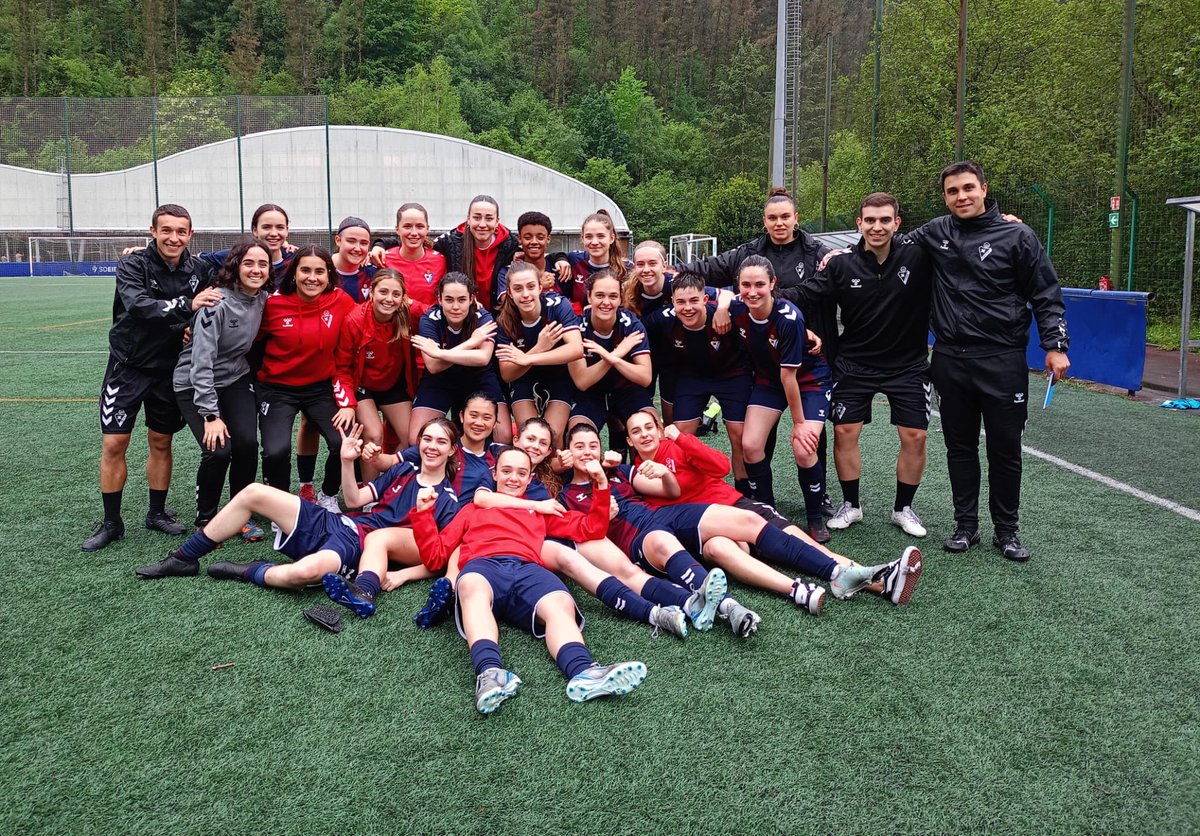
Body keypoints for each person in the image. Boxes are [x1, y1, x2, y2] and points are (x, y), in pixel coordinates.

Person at [906, 161, 1069, 561]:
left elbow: (1045, 293)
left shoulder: (1018, 235)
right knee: (959, 447)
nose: (961, 196)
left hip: (1002, 359)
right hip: (950, 359)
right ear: (945, 197)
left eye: (968, 188)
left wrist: (1055, 345)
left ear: (983, 188)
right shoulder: (935, 232)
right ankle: (966, 527)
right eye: (952, 191)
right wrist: (835, 255)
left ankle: (1007, 532)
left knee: (1005, 448)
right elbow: (887, 243)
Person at [412, 446, 647, 713]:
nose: (514, 478)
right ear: (495, 474)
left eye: (521, 473)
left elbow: (591, 529)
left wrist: (602, 485)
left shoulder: (541, 511)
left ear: (529, 477)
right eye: (507, 471)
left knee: (560, 602)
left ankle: (584, 672)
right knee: (470, 585)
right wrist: (423, 513)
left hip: (528, 569)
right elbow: (435, 557)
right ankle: (490, 674)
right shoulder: (472, 510)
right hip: (485, 566)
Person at [624, 410, 923, 611]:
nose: (644, 435)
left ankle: (880, 583)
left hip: (736, 507)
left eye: (649, 427)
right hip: (710, 528)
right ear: (629, 440)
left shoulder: (677, 446)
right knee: (722, 550)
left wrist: (682, 438)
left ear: (660, 429)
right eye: (636, 431)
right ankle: (804, 589)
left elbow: (722, 466)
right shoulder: (636, 475)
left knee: (812, 548)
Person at [133, 421, 459, 587]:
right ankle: (183, 558)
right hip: (339, 524)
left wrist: (404, 575)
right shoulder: (403, 470)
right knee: (253, 492)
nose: (431, 447)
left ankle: (251, 570)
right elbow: (353, 500)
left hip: (357, 547)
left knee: (304, 572)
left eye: (441, 441)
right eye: (426, 439)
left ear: (452, 450)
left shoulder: (447, 499)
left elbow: (439, 556)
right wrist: (347, 462)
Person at [82, 203, 221, 552]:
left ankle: (156, 513)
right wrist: (188, 306)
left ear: (190, 234)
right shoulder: (133, 263)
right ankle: (111, 522)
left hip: (169, 370)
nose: (173, 238)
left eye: (181, 231)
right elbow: (139, 305)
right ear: (153, 231)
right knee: (114, 444)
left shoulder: (200, 269)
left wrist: (191, 325)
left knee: (161, 441)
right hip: (127, 366)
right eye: (166, 230)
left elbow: (230, 276)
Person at [795, 193, 933, 538]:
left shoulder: (919, 255)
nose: (877, 227)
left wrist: (999, 223)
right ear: (859, 223)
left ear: (897, 223)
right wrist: (766, 297)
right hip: (854, 363)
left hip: (909, 366)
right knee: (845, 432)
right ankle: (851, 505)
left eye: (885, 220)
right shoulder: (841, 264)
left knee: (915, 436)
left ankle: (903, 509)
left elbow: (959, 238)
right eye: (870, 220)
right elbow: (807, 293)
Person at [558, 424, 761, 637]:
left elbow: (670, 491)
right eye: (579, 447)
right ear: (568, 452)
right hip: (636, 539)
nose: (587, 452)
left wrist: (664, 473)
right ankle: (729, 606)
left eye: (593, 446)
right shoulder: (565, 496)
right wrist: (601, 515)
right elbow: (584, 531)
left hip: (659, 520)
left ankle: (729, 607)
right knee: (662, 542)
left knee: (735, 523)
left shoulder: (618, 471)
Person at [172, 238, 273, 540]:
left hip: (235, 379)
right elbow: (201, 362)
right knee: (218, 451)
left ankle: (239, 514)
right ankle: (206, 519)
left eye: (263, 264)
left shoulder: (263, 299)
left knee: (247, 444)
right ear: (236, 267)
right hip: (195, 383)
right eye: (249, 263)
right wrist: (210, 415)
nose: (256, 270)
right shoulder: (215, 304)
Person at [730, 256, 833, 541]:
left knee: (804, 447)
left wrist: (799, 424)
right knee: (750, 445)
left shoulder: (789, 318)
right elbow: (712, 295)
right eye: (745, 285)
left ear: (773, 283)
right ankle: (768, 511)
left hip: (808, 381)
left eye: (759, 284)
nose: (752, 291)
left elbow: (790, 378)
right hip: (770, 380)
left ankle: (814, 518)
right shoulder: (736, 305)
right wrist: (720, 309)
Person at [255, 245, 356, 511]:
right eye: (305, 270)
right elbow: (247, 338)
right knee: (276, 450)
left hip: (320, 388)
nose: (312, 278)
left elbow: (365, 320)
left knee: (344, 441)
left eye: (319, 271)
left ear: (329, 274)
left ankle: (328, 495)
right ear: (294, 273)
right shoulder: (273, 304)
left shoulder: (341, 301)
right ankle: (281, 507)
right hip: (277, 389)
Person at [641, 274, 753, 488]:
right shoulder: (663, 318)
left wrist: (806, 332)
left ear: (705, 299)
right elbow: (633, 327)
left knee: (739, 434)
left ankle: (744, 490)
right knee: (680, 431)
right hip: (693, 376)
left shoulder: (725, 312)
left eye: (694, 301)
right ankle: (686, 486)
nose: (688, 308)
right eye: (681, 302)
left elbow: (764, 313)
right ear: (672, 302)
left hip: (733, 375)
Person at [333, 269, 423, 477]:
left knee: (412, 438)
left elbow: (439, 310)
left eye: (396, 294)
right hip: (362, 387)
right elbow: (342, 368)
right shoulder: (354, 320)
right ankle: (369, 490)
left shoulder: (409, 313)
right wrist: (347, 404)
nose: (389, 299)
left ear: (404, 297)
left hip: (393, 384)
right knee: (374, 435)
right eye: (383, 292)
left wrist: (473, 306)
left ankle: (393, 484)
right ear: (371, 292)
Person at [409, 272, 512, 444]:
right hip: (440, 379)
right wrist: (471, 342)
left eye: (462, 300)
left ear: (471, 299)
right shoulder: (430, 319)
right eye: (449, 300)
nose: (455, 307)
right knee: (416, 439)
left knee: (504, 436)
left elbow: (483, 358)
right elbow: (433, 366)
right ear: (440, 299)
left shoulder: (483, 317)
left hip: (478, 377)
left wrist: (439, 353)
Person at [494, 261, 583, 448]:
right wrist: (539, 348)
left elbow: (576, 349)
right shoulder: (504, 321)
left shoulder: (557, 305)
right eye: (518, 289)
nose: (525, 294)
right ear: (509, 292)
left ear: (540, 288)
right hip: (523, 378)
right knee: (530, 436)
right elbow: (507, 374)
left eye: (531, 287)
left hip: (557, 375)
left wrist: (528, 358)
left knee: (552, 437)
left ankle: (556, 468)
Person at [568, 271, 654, 436]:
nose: (606, 302)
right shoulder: (577, 327)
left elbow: (645, 377)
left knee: (652, 431)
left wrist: (611, 357)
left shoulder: (632, 326)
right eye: (600, 295)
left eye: (613, 296)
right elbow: (582, 381)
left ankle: (621, 445)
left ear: (620, 299)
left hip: (627, 390)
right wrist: (617, 353)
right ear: (589, 296)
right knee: (578, 436)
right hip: (590, 394)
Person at [551, 210, 629, 314]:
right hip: (578, 323)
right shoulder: (574, 260)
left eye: (601, 236)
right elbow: (545, 257)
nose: (594, 242)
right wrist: (560, 258)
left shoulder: (627, 270)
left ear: (611, 238)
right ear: (582, 238)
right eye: (589, 236)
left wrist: (600, 310)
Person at [380, 203, 447, 307]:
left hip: (429, 317)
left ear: (427, 228)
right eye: (407, 226)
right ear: (397, 229)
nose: (414, 233)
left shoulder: (440, 261)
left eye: (420, 226)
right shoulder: (383, 259)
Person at [497, 211, 559, 297]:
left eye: (540, 237)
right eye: (527, 237)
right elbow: (506, 303)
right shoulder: (507, 272)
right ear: (520, 239)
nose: (534, 242)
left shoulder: (559, 270)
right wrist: (539, 286)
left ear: (548, 239)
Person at [331, 216, 377, 303]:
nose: (357, 248)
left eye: (363, 243)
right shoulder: (322, 271)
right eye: (351, 241)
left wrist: (380, 245)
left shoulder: (374, 274)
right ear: (338, 240)